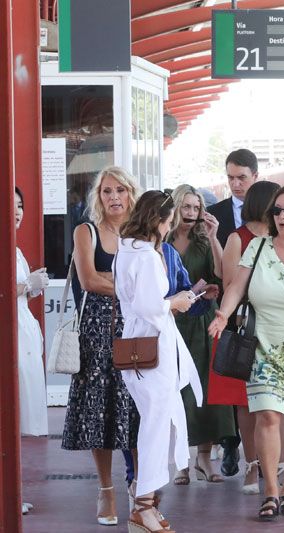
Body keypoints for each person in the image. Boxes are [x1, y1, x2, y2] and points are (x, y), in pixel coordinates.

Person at [208, 185, 284, 520]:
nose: (281, 217)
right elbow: (236, 285)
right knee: (267, 416)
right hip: (262, 347)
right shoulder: (258, 248)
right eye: (277, 211)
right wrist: (224, 313)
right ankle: (271, 491)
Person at [115, 189, 201, 533]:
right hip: (154, 349)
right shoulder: (148, 256)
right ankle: (143, 506)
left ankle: (147, 501)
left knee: (154, 424)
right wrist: (177, 301)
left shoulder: (125, 250)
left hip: (135, 347)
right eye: (168, 223)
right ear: (158, 221)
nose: (168, 230)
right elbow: (152, 307)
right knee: (156, 426)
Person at [61, 166, 141, 525]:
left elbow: (156, 278)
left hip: (137, 330)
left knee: (137, 409)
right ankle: (106, 490)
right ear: (99, 196)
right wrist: (125, 282)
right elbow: (90, 279)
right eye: (107, 191)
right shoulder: (86, 231)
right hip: (96, 334)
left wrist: (118, 280)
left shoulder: (141, 233)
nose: (114, 197)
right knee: (99, 411)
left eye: (120, 191)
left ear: (130, 194)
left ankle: (141, 489)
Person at [209, 179, 279, 495]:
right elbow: (229, 283)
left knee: (277, 400)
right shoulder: (238, 238)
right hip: (247, 324)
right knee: (246, 402)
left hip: (279, 325)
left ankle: (276, 468)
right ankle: (252, 467)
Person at [166, 184, 234, 485]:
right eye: (186, 207)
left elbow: (221, 272)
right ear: (176, 207)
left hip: (203, 318)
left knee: (205, 388)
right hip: (172, 319)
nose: (191, 213)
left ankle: (204, 458)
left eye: (196, 208)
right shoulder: (163, 239)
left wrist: (213, 236)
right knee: (176, 391)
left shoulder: (204, 240)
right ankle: (181, 461)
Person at [207, 147, 259, 475]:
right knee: (231, 380)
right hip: (226, 306)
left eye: (241, 177)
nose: (236, 184)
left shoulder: (273, 214)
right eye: (230, 178)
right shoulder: (216, 212)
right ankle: (230, 445)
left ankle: (259, 456)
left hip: (259, 310)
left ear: (255, 176)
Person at [14, 186, 49, 438]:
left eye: (20, 205)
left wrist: (33, 284)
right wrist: (27, 284)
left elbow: (21, 289)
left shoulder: (15, 251)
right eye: (11, 205)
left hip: (24, 325)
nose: (17, 211)